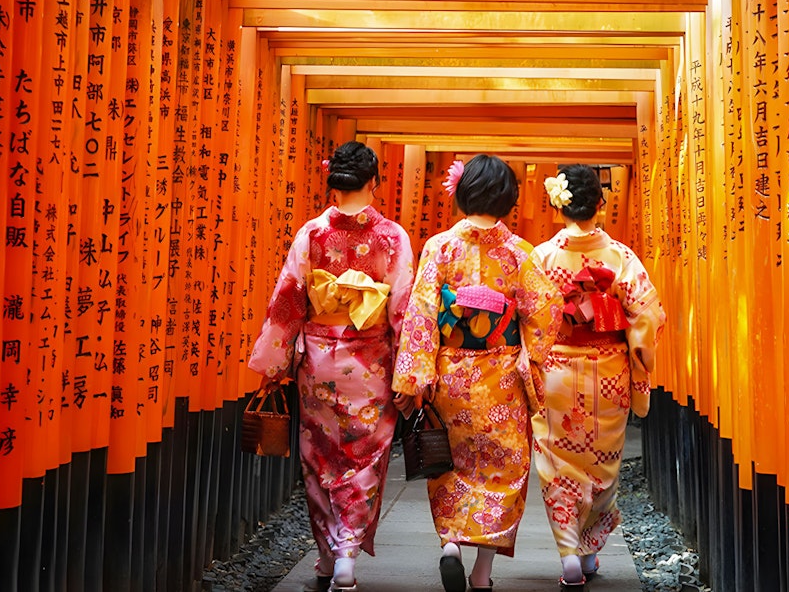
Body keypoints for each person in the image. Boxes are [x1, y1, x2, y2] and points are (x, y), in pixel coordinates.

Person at [247, 141, 415, 592]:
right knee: (365, 457)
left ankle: (326, 557)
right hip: (372, 363)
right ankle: (347, 552)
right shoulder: (392, 238)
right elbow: (403, 310)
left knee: (319, 456)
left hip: (319, 361)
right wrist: (411, 373)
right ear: (375, 182)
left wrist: (273, 362)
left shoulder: (312, 234)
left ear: (333, 184)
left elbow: (288, 301)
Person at [391, 153, 563, 592]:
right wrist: (529, 354)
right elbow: (546, 309)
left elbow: (422, 314)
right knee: (505, 472)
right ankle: (482, 573)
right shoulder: (517, 252)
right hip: (500, 377)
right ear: (508, 199)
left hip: (451, 374)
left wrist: (414, 379)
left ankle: (450, 543)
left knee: (450, 464)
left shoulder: (440, 247)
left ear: (462, 193)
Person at [529, 165, 666, 591]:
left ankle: (569, 552)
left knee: (557, 463)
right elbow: (647, 317)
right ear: (601, 206)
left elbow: (530, 322)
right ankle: (588, 551)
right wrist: (640, 359)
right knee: (601, 462)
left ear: (557, 206)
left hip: (558, 371)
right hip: (608, 371)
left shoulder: (542, 257)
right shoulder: (622, 257)